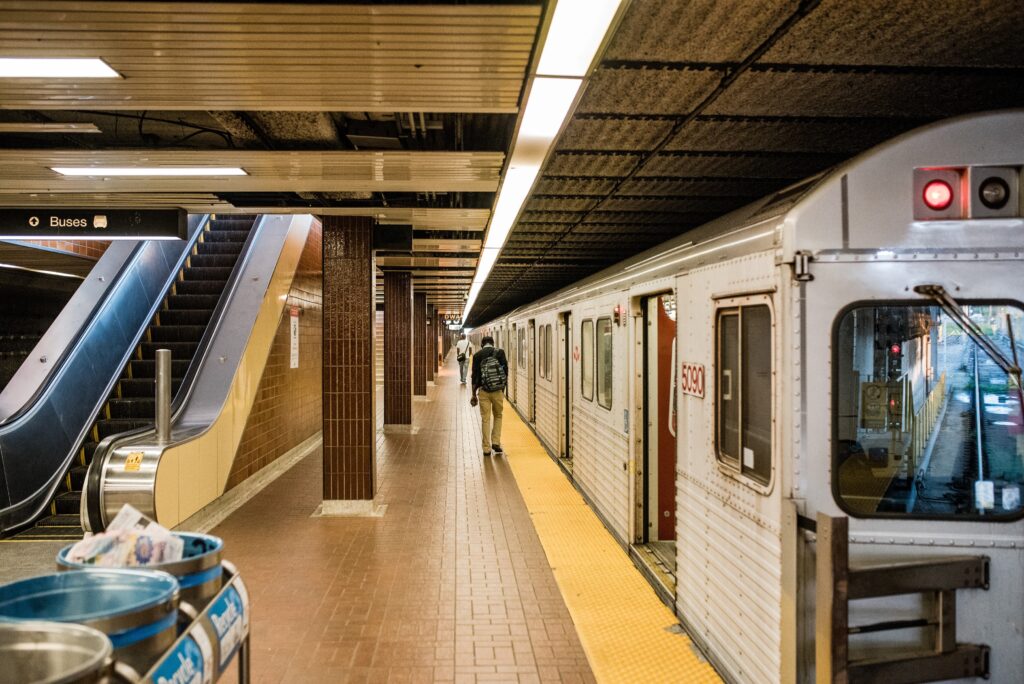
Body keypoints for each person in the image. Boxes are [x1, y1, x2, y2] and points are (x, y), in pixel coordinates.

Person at [470, 335, 508, 456]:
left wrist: (473, 395)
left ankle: (486, 448)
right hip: (497, 391)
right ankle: (496, 442)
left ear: (482, 344)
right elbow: (505, 372)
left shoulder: (477, 355)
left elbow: (474, 377)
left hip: (483, 391)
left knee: (485, 419)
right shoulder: (500, 353)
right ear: (493, 343)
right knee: (498, 416)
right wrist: (502, 389)